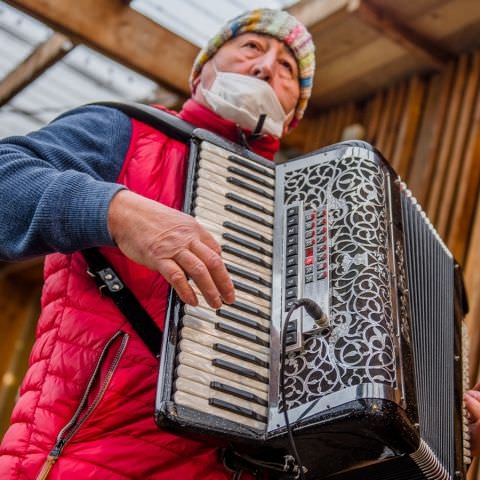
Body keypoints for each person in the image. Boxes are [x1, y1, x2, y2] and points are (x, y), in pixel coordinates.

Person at [0, 8, 315, 479]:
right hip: (85, 463)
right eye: (251, 47)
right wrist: (116, 212)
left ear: (294, 114)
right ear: (201, 70)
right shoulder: (125, 129)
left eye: (288, 68)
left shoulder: (301, 213)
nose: (266, 67)